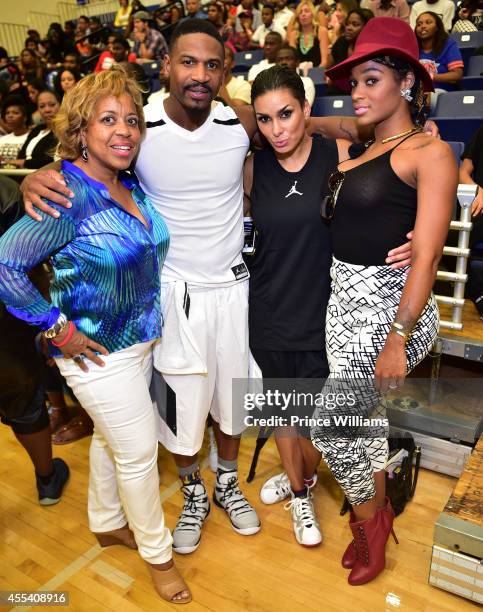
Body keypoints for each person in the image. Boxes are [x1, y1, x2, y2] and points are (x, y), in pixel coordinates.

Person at [19, 18, 425, 559]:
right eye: (188, 62)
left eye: (213, 65)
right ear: (166, 65)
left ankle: (228, 483)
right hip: (171, 293)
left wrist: (411, 140)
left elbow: (318, 128)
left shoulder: (239, 124)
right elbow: (93, 158)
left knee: (235, 408)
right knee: (181, 411)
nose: (200, 75)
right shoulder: (141, 129)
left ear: (224, 73)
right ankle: (193, 491)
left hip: (237, 290)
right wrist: (40, 173)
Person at [0, 67, 190, 604]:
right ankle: (159, 557)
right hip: (96, 354)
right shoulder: (67, 194)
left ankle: (106, 521)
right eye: (108, 120)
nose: (124, 130)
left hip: (141, 340)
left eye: (131, 120)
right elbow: (5, 265)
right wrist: (57, 330)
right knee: (139, 454)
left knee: (113, 441)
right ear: (81, 130)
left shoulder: (126, 181)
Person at [311, 16, 455, 585]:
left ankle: (371, 525)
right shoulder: (363, 147)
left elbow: (426, 257)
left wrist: (398, 334)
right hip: (342, 304)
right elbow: (319, 122)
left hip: (392, 311)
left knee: (331, 427)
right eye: (355, 83)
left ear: (408, 84)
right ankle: (374, 518)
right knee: (362, 429)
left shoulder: (429, 153)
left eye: (373, 79)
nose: (360, 92)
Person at [247, 64, 414, 547]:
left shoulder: (340, 154)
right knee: (283, 410)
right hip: (271, 308)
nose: (277, 129)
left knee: (326, 422)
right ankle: (300, 493)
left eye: (286, 114)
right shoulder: (252, 167)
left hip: (329, 313)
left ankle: (308, 477)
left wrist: (418, 237)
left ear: (306, 109)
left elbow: (393, 184)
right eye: (264, 119)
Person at [0, 175, 70, 506]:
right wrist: (47, 323)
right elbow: (27, 267)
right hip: (8, 321)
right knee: (24, 402)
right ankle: (46, 478)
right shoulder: (6, 191)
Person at [460, 125, 483, 317]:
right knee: (449, 239)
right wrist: (478, 189)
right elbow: (463, 173)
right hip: (481, 203)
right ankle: (478, 294)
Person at [9, 90, 60, 170]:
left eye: (52, 105)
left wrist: (23, 163)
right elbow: (21, 155)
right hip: (20, 173)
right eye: (42, 106)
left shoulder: (64, 131)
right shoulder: (36, 130)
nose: (47, 110)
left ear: (61, 105)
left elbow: (49, 159)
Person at [416, 12, 464, 91]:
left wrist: (430, 77)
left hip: (441, 93)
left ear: (437, 27)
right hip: (417, 92)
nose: (423, 26)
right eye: (419, 24)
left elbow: (457, 74)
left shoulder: (448, 45)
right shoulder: (412, 47)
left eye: (428, 22)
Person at [287, 1, 329, 71]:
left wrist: (314, 73)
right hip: (298, 75)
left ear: (313, 14)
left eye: (306, 11)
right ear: (298, 17)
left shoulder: (321, 31)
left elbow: (324, 62)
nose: (303, 14)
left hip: (317, 73)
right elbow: (292, 61)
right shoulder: (293, 34)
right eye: (300, 12)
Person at [0, 97, 30, 165]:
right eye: (7, 113)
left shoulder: (32, 138)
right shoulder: (2, 139)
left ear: (25, 117)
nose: (10, 116)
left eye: (15, 113)